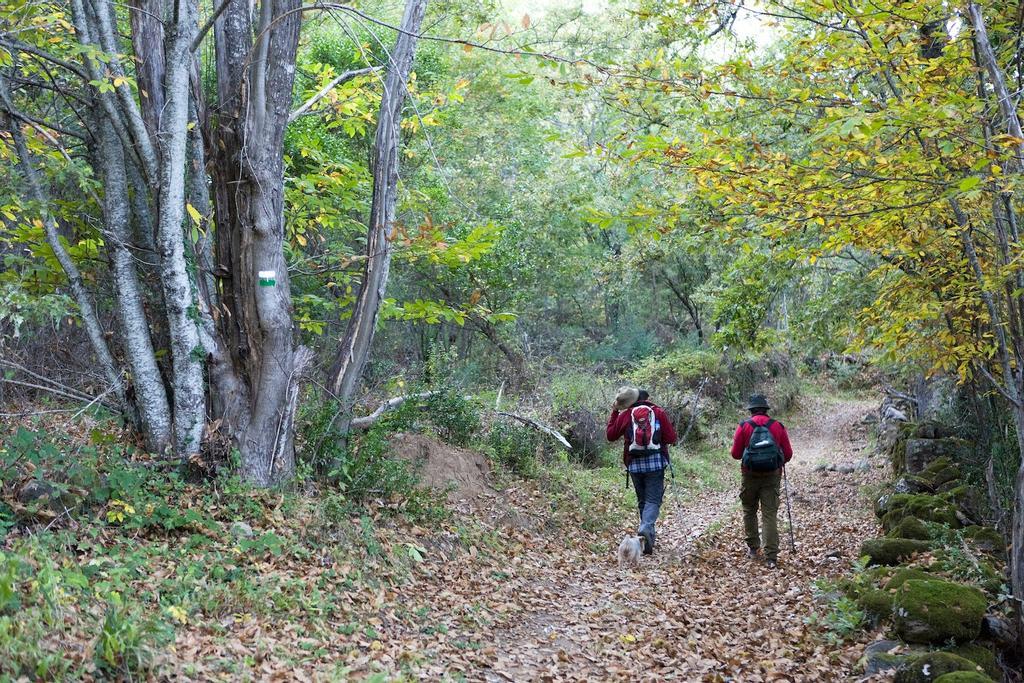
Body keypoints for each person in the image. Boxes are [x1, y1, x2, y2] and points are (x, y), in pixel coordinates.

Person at [607, 386, 677, 556]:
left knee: (642, 500)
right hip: (655, 463)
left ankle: (646, 541)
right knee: (653, 500)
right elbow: (671, 438)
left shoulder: (625, 415)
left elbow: (610, 435)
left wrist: (615, 412)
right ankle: (645, 529)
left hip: (634, 465)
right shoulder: (657, 412)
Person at [730, 394, 793, 568]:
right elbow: (788, 454)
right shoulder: (777, 426)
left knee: (749, 509)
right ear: (766, 410)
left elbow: (735, 454)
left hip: (749, 475)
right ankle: (771, 556)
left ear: (751, 410)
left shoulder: (744, 426)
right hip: (772, 476)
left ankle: (753, 547)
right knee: (769, 514)